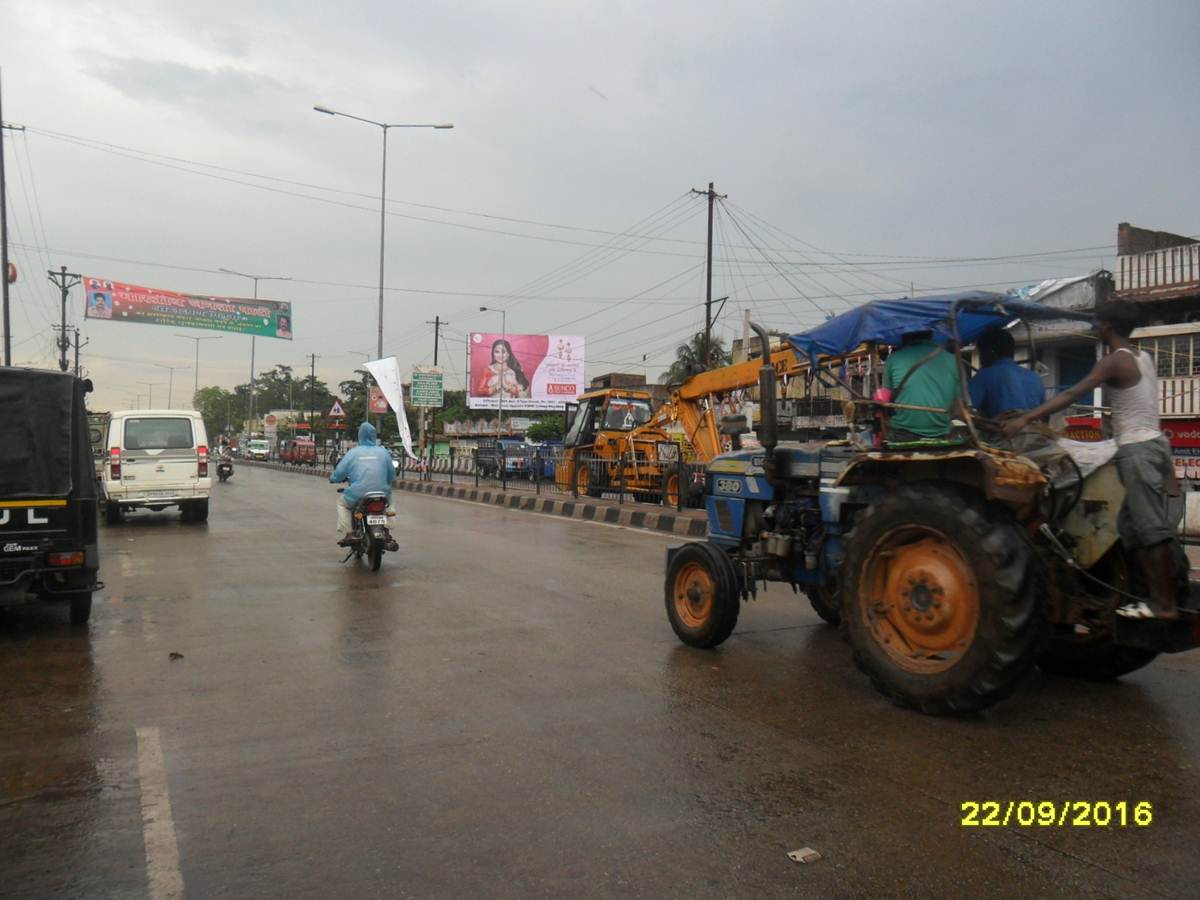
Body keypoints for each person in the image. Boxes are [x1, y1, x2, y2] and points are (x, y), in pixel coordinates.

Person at [1002, 301, 1182, 619]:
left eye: (1099, 324)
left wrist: (1024, 419)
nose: (1096, 328)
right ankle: (1147, 595)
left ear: (1107, 326)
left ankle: (1163, 604)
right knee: (1129, 526)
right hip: (1154, 445)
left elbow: (1072, 394)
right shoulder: (1143, 357)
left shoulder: (1115, 362)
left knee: (1148, 527)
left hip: (1138, 449)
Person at [882, 329, 962, 440]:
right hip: (942, 432)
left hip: (902, 433)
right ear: (930, 335)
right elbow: (960, 403)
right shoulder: (953, 359)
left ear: (904, 336)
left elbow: (885, 398)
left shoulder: (893, 359)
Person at [328, 421, 395, 545]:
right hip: (382, 492)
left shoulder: (353, 453)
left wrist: (333, 478)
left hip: (358, 493)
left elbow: (340, 472)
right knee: (389, 502)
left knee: (342, 504)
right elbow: (391, 474)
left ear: (360, 436)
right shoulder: (383, 452)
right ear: (374, 436)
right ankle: (387, 530)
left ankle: (349, 533)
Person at [969, 328, 1046, 420]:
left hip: (1002, 432)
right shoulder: (1035, 377)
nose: (981, 359)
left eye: (981, 353)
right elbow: (1045, 414)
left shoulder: (984, 376)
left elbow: (965, 408)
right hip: (1036, 431)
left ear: (990, 352)